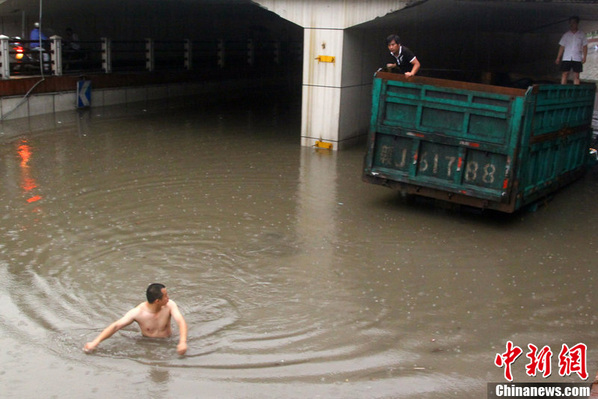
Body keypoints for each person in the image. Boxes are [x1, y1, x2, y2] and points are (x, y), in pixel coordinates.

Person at [83, 283, 188, 355]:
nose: (168, 298)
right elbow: (116, 326)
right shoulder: (138, 313)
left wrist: (182, 341)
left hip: (168, 340)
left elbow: (181, 322)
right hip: (147, 343)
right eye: (165, 296)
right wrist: (95, 343)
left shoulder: (170, 305)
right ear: (157, 301)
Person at [555, 16, 588, 85]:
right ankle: (563, 89)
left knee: (576, 75)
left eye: (574, 23)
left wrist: (584, 57)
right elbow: (562, 46)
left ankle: (576, 90)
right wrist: (558, 57)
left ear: (577, 23)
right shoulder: (566, 35)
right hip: (567, 57)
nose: (572, 25)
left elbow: (585, 46)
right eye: (571, 23)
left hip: (577, 57)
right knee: (565, 73)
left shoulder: (582, 35)